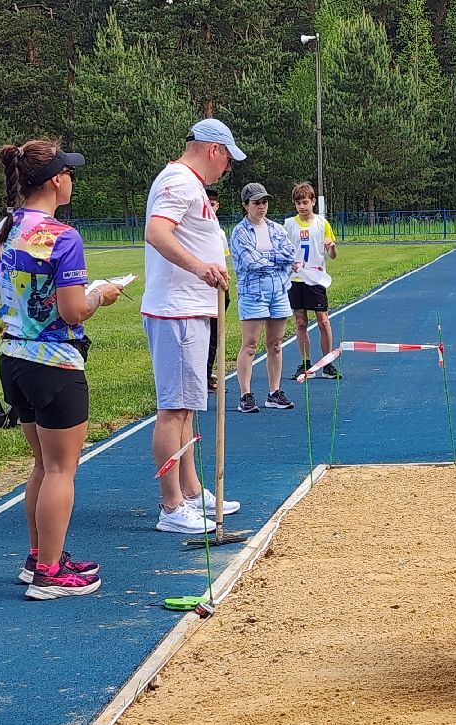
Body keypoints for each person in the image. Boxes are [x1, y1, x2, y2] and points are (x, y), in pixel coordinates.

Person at [0, 138, 123, 597]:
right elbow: (71, 311)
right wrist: (99, 296)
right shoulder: (64, 237)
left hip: (14, 359)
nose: (71, 180)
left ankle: (39, 556)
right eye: (69, 172)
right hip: (55, 363)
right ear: (55, 180)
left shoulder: (2, 230)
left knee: (42, 465)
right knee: (62, 469)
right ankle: (48, 573)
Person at [144, 119, 244, 534]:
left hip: (191, 309)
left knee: (186, 406)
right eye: (228, 160)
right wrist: (200, 267)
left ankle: (188, 489)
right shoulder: (179, 181)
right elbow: (156, 232)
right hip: (177, 310)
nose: (227, 170)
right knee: (174, 408)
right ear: (214, 150)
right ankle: (171, 505)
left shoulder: (189, 184)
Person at [230, 182, 300, 413]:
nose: (261, 207)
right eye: (256, 203)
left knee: (276, 344)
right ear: (246, 205)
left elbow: (290, 253)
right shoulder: (240, 232)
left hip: (278, 291)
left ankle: (274, 392)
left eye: (264, 202)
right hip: (253, 293)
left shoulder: (276, 229)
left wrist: (271, 257)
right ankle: (245, 395)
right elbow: (252, 262)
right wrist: (279, 260)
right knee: (250, 345)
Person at [285, 181, 341, 380]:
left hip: (316, 279)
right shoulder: (289, 225)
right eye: (298, 203)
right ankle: (306, 363)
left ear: (313, 202)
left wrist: (331, 246)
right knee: (300, 322)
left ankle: (327, 363)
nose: (302, 206)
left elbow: (332, 255)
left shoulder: (322, 223)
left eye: (305, 202)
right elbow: (285, 251)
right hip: (296, 279)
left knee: (323, 321)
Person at [204, 188, 230, 393]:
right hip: (199, 288)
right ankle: (200, 375)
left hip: (218, 289)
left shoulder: (220, 233)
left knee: (214, 335)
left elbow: (224, 260)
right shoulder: (196, 229)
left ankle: (207, 373)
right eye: (207, 203)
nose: (210, 207)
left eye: (213, 204)